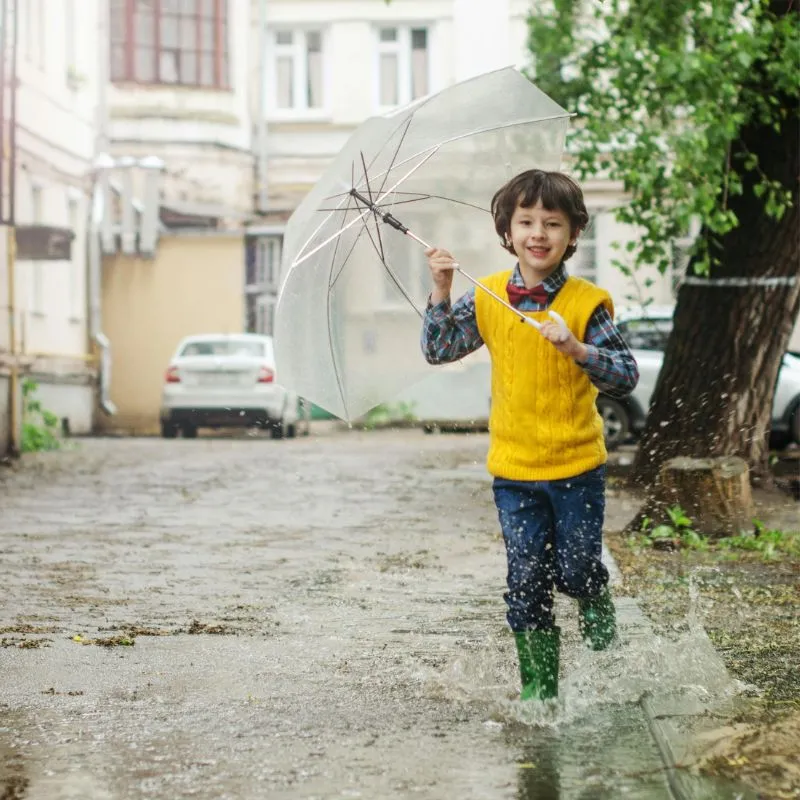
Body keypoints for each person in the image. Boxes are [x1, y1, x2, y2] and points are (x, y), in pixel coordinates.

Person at [421, 169, 639, 702]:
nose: (538, 233)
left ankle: (598, 617)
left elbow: (625, 375)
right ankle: (540, 696)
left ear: (572, 234)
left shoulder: (587, 302)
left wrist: (577, 349)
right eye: (526, 222)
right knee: (526, 582)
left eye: (552, 223)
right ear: (507, 230)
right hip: (514, 473)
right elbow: (439, 350)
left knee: (577, 570)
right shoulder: (490, 295)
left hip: (576, 468)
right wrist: (443, 289)